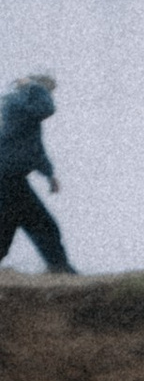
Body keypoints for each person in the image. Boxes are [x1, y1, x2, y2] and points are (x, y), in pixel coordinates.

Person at [0, 76, 70, 274]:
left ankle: (60, 269)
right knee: (43, 225)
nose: (49, 97)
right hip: (7, 179)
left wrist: (49, 175)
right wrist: (34, 87)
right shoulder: (17, 106)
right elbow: (46, 109)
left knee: (8, 229)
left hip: (11, 179)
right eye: (48, 92)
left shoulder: (23, 112)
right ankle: (60, 270)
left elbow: (34, 149)